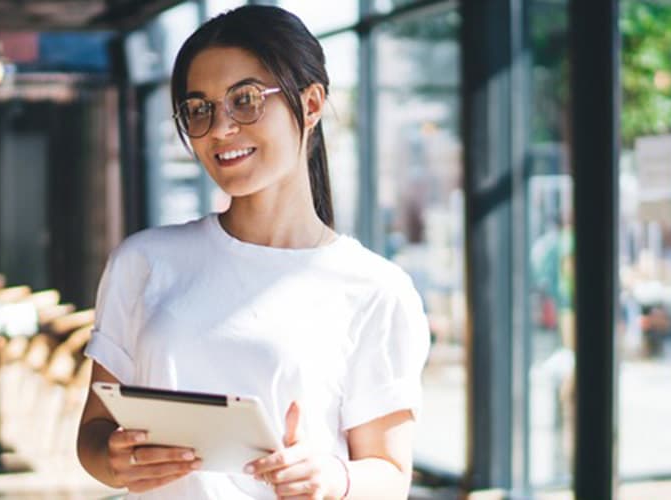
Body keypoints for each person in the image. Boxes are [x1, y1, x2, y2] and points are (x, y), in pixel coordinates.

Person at [73, 6, 431, 499]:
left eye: (245, 100)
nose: (219, 129)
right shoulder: (144, 262)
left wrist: (334, 478)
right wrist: (116, 461)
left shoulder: (375, 289)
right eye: (199, 109)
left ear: (310, 105)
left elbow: (390, 474)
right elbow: (94, 434)